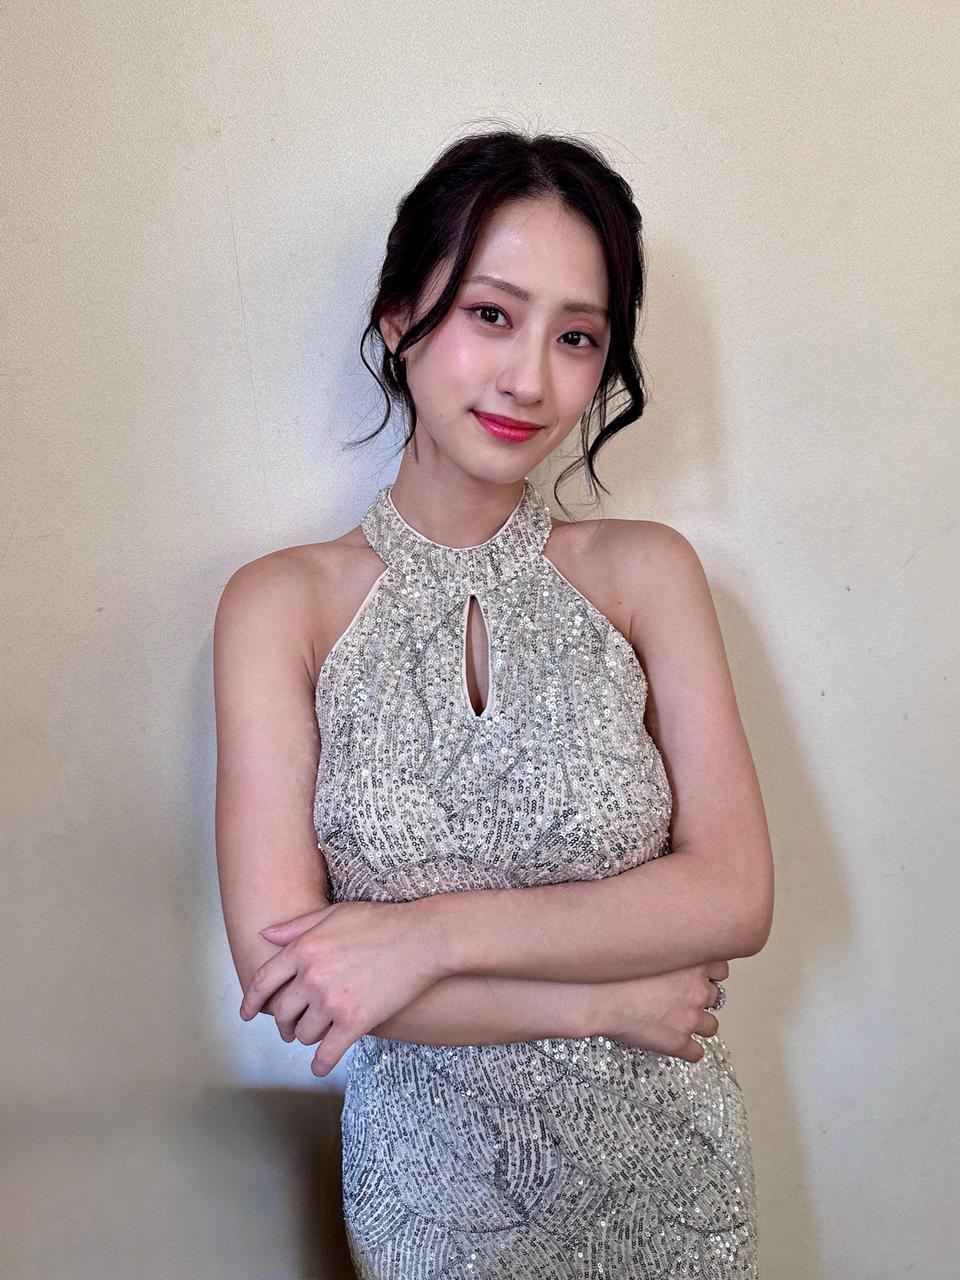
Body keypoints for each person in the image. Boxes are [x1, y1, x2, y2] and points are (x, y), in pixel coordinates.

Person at [214, 128, 774, 1278]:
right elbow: (300, 981)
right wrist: (603, 1002)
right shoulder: (279, 605)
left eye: (577, 336)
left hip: (672, 1188)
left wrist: (424, 936)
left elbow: (734, 891)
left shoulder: (647, 572)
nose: (529, 378)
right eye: (490, 314)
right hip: (432, 1203)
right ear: (397, 318)